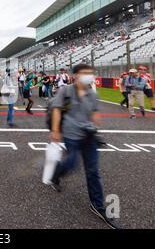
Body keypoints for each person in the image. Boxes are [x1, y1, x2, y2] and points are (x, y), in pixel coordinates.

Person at [50, 64, 119, 229]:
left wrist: (97, 129)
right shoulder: (65, 91)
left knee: (93, 171)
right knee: (72, 162)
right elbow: (57, 110)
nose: (89, 76)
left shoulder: (92, 94)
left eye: (90, 73)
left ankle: (97, 205)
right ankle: (55, 174)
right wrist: (55, 131)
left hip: (89, 136)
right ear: (75, 75)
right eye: (85, 73)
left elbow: (94, 113)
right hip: (71, 134)